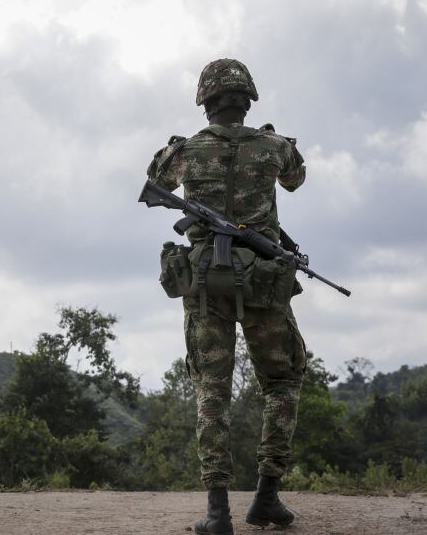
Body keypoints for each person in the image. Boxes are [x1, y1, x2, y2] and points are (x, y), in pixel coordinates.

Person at [147, 59, 307, 535]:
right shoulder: (275, 147)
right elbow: (295, 179)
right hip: (262, 282)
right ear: (248, 100)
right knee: (282, 383)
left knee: (211, 392)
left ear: (205, 101)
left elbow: (156, 179)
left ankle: (218, 512)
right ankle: (266, 497)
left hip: (206, 284)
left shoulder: (186, 151)